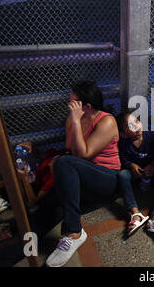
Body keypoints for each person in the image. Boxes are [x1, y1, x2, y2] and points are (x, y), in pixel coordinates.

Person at [45, 80, 121, 267]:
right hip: (84, 180)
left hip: (107, 179)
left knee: (64, 163)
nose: (69, 105)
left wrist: (76, 122)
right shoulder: (72, 120)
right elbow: (70, 149)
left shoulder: (107, 121)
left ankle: (74, 232)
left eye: (73, 102)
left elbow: (82, 154)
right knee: (47, 205)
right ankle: (3, 255)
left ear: (86, 106)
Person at [116, 110, 154, 237]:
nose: (136, 127)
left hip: (153, 172)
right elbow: (123, 158)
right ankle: (135, 214)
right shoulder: (124, 143)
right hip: (136, 173)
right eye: (130, 126)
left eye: (136, 122)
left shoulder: (152, 135)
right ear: (124, 134)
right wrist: (131, 165)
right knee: (122, 175)